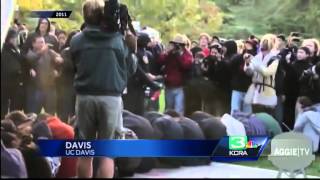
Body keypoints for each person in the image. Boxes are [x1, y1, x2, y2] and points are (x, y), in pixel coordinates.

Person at [70, 0, 137, 178]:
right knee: (107, 153)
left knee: (85, 151)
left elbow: (74, 66)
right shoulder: (116, 40)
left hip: (84, 97)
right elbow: (130, 68)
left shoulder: (76, 40)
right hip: (110, 98)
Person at [24, 35, 63, 114]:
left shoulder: (49, 52)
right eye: (40, 42)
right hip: (36, 89)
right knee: (33, 114)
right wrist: (42, 52)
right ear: (33, 44)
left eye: (43, 42)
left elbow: (60, 60)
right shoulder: (30, 53)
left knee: (50, 114)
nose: (43, 44)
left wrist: (58, 61)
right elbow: (31, 59)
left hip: (50, 89)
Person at [244, 34, 279, 116]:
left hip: (268, 90)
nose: (265, 43)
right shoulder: (257, 57)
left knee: (266, 116)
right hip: (256, 91)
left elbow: (266, 72)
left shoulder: (275, 58)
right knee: (255, 115)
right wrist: (247, 63)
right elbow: (249, 72)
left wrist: (254, 62)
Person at [157, 34, 193, 115]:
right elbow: (160, 61)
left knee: (179, 109)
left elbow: (186, 66)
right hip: (169, 85)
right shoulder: (170, 53)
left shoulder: (187, 54)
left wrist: (178, 56)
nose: (177, 46)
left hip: (180, 86)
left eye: (180, 45)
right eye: (175, 44)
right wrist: (167, 52)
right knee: (169, 109)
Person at [229, 39, 258, 115]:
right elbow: (231, 67)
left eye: (250, 45)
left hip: (248, 89)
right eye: (247, 44)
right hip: (237, 88)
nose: (247, 46)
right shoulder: (238, 58)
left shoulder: (255, 58)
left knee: (247, 111)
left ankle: (247, 126)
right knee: (235, 110)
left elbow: (252, 73)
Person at [1, 28, 25, 119]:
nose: (16, 40)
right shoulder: (4, 49)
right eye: (15, 38)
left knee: (14, 108)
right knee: (3, 107)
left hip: (15, 84)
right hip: (5, 83)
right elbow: (9, 65)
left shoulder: (16, 49)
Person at [56, 31, 79, 123]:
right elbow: (67, 66)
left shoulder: (81, 51)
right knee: (64, 112)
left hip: (77, 86)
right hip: (66, 85)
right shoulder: (66, 51)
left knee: (75, 112)